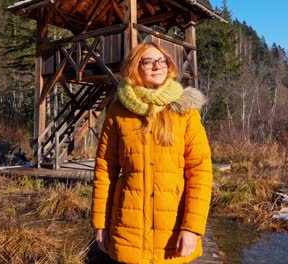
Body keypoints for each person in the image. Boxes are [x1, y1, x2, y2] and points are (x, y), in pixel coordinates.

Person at [91, 42, 213, 264]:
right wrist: (100, 223)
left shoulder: (185, 110)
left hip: (172, 232)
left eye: (163, 61)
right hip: (128, 229)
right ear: (135, 67)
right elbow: (104, 171)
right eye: (149, 61)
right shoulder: (118, 113)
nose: (158, 66)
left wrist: (192, 229)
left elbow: (200, 172)